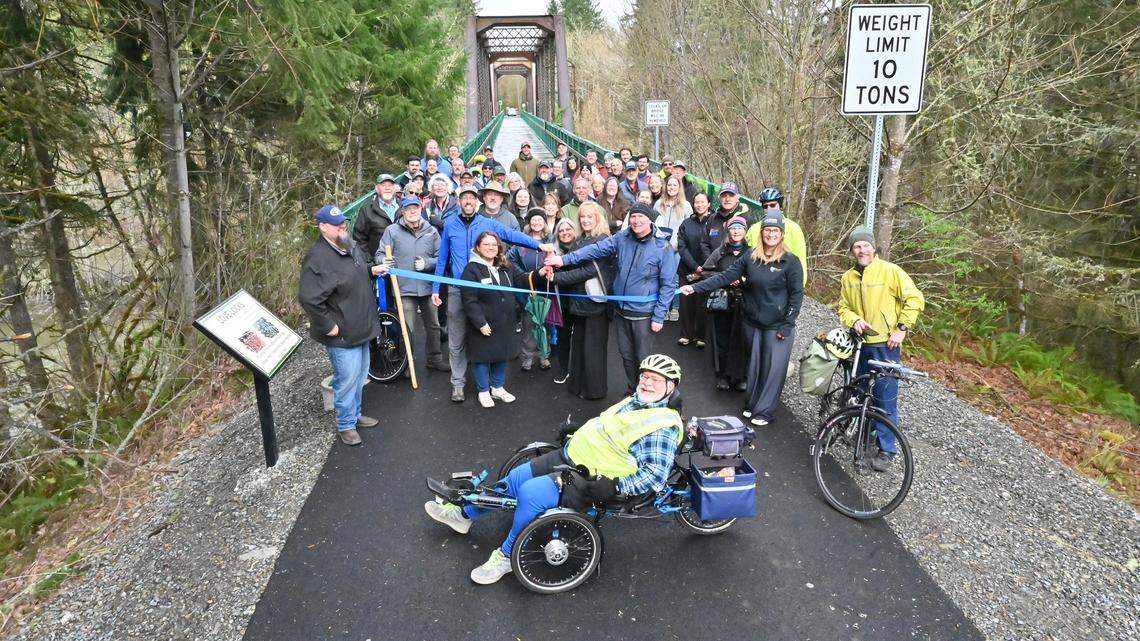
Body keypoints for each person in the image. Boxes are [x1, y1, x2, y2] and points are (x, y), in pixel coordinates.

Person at [424, 354, 685, 585]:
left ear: (669, 387)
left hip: (591, 478)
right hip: (571, 456)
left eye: (656, 380)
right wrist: (579, 430)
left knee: (531, 495)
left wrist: (617, 486)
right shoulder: (636, 402)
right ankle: (464, 516)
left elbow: (655, 475)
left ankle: (505, 556)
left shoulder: (662, 425)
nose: (647, 383)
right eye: (645, 376)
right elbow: (606, 428)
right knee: (515, 478)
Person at [681, 211, 804, 426]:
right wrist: (695, 287)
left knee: (772, 369)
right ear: (761, 233)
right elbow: (724, 276)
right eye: (767, 230)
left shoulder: (790, 262)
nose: (771, 235)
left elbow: (796, 295)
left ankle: (764, 411)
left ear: (782, 235)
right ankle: (752, 404)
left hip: (778, 326)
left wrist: (788, 322)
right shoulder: (751, 257)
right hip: (753, 321)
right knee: (754, 366)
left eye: (775, 231)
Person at [434, 186, 553, 402]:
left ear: (477, 202)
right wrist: (436, 289)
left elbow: (512, 235)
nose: (468, 201)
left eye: (472, 197)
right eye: (464, 198)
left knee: (488, 336)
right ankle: (458, 383)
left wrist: (539, 246)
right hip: (457, 289)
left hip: (484, 292)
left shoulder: (487, 224)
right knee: (457, 338)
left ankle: (493, 384)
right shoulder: (450, 225)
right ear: (459, 201)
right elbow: (443, 259)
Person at [545, 203, 678, 393]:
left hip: (644, 313)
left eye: (641, 217)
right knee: (626, 355)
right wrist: (564, 260)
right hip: (621, 311)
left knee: (644, 358)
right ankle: (633, 390)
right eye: (633, 216)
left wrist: (659, 315)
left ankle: (651, 394)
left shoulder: (662, 247)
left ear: (650, 220)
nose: (636, 221)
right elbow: (595, 249)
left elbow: (668, 284)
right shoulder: (622, 238)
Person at [837, 226, 925, 470]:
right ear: (852, 251)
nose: (861, 250)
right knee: (861, 394)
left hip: (886, 345)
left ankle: (886, 450)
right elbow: (843, 308)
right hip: (860, 346)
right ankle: (863, 440)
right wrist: (854, 320)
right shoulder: (848, 278)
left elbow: (915, 299)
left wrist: (901, 328)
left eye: (865, 245)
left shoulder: (891, 271)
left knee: (885, 397)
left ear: (873, 247)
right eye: (857, 246)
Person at [299, 205, 381, 446]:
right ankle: (346, 424)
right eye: (336, 224)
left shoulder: (348, 244)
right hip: (342, 332)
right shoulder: (317, 257)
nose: (342, 227)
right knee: (346, 380)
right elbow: (309, 298)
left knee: (360, 376)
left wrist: (371, 270)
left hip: (362, 325)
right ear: (322, 226)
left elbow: (355, 273)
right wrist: (327, 325)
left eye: (343, 222)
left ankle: (355, 415)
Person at [542, 202, 615, 399]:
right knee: (580, 347)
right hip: (579, 303)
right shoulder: (582, 239)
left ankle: (594, 391)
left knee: (593, 350)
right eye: (582, 217)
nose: (585, 220)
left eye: (590, 216)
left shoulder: (603, 240)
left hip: (595, 303)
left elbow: (588, 271)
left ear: (597, 218)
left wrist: (556, 277)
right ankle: (578, 386)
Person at [374, 197, 446, 375]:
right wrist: (384, 260)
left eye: (415, 208)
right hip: (404, 289)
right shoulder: (392, 231)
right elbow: (379, 255)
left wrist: (427, 263)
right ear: (403, 211)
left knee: (434, 325)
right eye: (408, 209)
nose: (412, 212)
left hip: (428, 287)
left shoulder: (432, 231)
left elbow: (442, 258)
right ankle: (407, 364)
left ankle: (435, 359)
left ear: (421, 208)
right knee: (407, 328)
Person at [461, 231, 524, 408]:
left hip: (504, 322)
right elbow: (469, 300)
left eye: (493, 244)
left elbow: (522, 280)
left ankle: (497, 387)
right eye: (486, 244)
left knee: (500, 355)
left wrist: (541, 272)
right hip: (483, 324)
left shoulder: (505, 266)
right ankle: (483, 391)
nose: (490, 247)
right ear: (478, 247)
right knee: (482, 357)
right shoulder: (471, 269)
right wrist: (480, 323)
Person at [695, 216, 751, 392]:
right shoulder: (720, 251)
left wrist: (743, 280)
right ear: (728, 231)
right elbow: (705, 272)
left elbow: (758, 276)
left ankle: (741, 376)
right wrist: (725, 279)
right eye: (733, 228)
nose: (736, 232)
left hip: (744, 302)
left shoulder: (752, 252)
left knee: (742, 340)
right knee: (721, 339)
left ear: (745, 231)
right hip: (722, 301)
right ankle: (722, 376)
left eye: (740, 228)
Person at [508, 209, 554, 371]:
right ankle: (527, 358)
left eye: (539, 220)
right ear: (529, 222)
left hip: (545, 289)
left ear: (544, 222)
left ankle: (544, 356)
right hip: (527, 289)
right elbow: (509, 259)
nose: (536, 223)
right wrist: (523, 275)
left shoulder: (550, 240)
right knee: (528, 325)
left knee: (545, 324)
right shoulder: (521, 242)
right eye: (533, 220)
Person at [744, 186, 809, 286]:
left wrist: (799, 285)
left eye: (773, 205)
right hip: (758, 284)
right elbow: (746, 258)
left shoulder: (794, 228)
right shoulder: (753, 229)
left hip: (785, 283)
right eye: (765, 206)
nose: (769, 209)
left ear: (780, 205)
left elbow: (801, 260)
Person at [676, 191, 711, 347]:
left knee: (702, 304)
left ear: (709, 204)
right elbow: (682, 248)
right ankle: (686, 334)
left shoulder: (714, 222)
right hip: (687, 269)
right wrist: (695, 267)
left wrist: (703, 268)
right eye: (697, 202)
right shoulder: (686, 224)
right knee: (686, 304)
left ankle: (700, 336)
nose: (699, 205)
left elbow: (716, 247)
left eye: (703, 201)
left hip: (708, 269)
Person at [352, 173, 400, 263]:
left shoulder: (404, 207)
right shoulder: (367, 209)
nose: (387, 188)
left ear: (395, 188)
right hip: (378, 264)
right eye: (383, 185)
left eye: (390, 185)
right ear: (377, 188)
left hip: (402, 264)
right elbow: (359, 238)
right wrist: (370, 260)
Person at [700, 181, 752, 257]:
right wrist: (710, 262)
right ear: (719, 198)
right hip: (713, 266)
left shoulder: (747, 219)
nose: (727, 199)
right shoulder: (713, 218)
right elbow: (704, 243)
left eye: (731, 195)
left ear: (738, 197)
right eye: (724, 195)